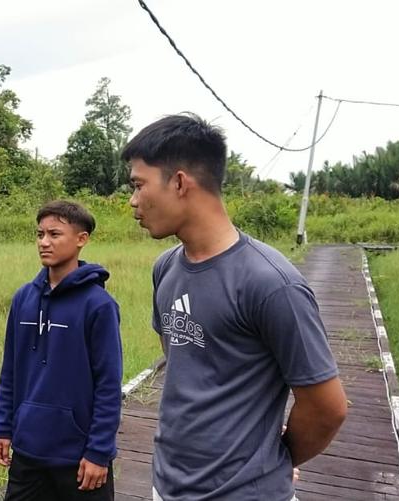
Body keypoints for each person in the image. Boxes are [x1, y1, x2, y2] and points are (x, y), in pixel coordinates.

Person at [123, 114, 347, 500]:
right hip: (167, 485)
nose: (133, 201)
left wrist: (274, 459)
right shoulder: (166, 269)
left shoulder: (271, 283)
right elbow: (183, 367)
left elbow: (328, 408)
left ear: (179, 182)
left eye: (139, 185)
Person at [0, 200, 123, 501]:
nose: (44, 242)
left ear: (81, 239)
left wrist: (99, 451)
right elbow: (10, 369)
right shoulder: (23, 298)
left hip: (79, 457)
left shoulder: (99, 306)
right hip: (27, 451)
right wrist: (4, 428)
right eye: (39, 234)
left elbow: (108, 384)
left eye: (54, 234)